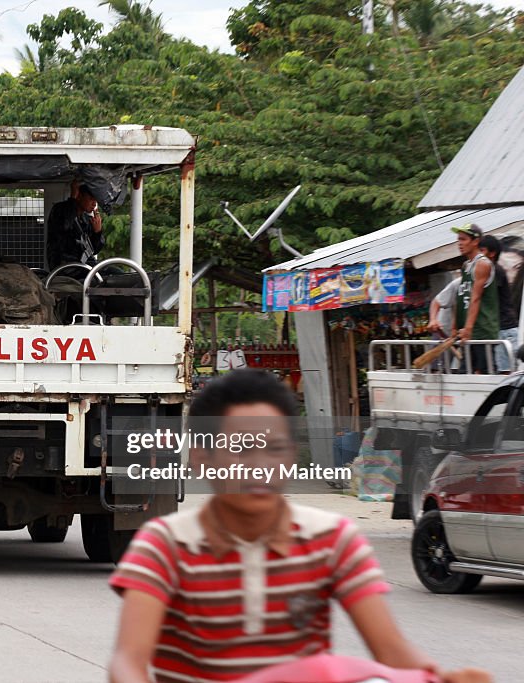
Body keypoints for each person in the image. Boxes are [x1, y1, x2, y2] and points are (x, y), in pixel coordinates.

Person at [108, 369, 491, 683]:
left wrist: (442, 677)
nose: (259, 465)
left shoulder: (332, 540)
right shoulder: (163, 547)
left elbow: (391, 653)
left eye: (274, 448)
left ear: (292, 455)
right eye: (241, 448)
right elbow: (127, 662)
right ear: (201, 458)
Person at [451, 224, 499, 374]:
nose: (459, 243)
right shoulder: (466, 265)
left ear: (475, 241)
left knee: (485, 375)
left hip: (482, 330)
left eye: (463, 239)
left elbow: (476, 298)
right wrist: (455, 326)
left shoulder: (482, 264)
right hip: (469, 331)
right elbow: (462, 298)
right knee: (464, 374)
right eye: (458, 239)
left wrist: (468, 328)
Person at [479, 234, 518, 373]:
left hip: (505, 328)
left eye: (481, 250)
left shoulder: (494, 271)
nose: (478, 255)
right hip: (498, 329)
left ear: (492, 253)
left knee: (507, 372)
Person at [45, 183, 105, 273]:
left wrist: (97, 232)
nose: (94, 204)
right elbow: (64, 225)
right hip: (65, 266)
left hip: (83, 265)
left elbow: (94, 250)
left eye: (95, 200)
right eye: (91, 199)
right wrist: (72, 199)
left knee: (114, 272)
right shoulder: (60, 209)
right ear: (79, 196)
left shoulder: (85, 219)